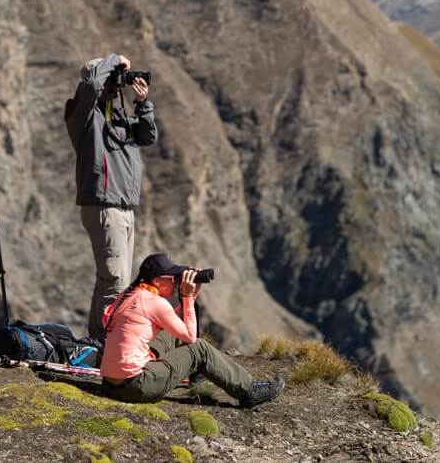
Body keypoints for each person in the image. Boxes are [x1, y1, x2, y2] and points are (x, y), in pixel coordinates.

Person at [100, 253, 285, 408]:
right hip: (136, 386)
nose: (176, 283)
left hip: (111, 384)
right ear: (156, 281)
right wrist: (187, 297)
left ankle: (197, 374)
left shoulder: (130, 294)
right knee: (200, 349)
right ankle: (249, 390)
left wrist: (191, 297)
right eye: (173, 279)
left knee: (169, 335)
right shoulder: (155, 303)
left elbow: (171, 324)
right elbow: (190, 336)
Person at [65, 53, 158, 342]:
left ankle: (97, 338)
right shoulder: (81, 114)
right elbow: (91, 87)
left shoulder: (116, 115)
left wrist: (143, 105)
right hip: (104, 206)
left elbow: (147, 137)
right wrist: (115, 60)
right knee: (114, 281)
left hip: (124, 206)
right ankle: (110, 346)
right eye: (112, 80)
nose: (115, 86)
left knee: (114, 279)